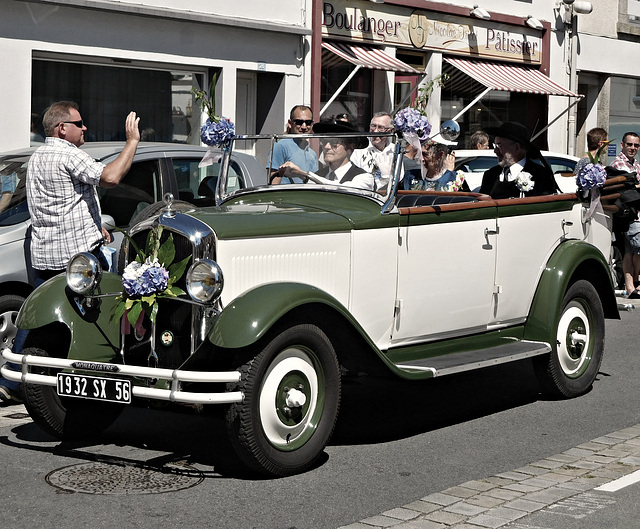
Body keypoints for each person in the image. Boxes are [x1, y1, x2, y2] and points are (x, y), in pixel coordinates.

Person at [0, 101, 140, 404]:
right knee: (102, 313)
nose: (85, 128)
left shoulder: (37, 157)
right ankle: (103, 378)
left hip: (44, 253)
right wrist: (132, 142)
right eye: (80, 123)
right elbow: (112, 177)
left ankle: (10, 379)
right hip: (77, 259)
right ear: (62, 129)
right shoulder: (68, 153)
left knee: (34, 317)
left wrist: (94, 225)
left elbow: (60, 202)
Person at [275, 119, 373, 190]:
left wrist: (304, 175)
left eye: (334, 143)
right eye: (324, 141)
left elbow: (344, 189)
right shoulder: (317, 176)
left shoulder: (364, 178)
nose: (326, 146)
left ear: (351, 147)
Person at [479, 122, 557, 199]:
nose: (495, 151)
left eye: (499, 145)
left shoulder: (541, 175)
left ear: (516, 147)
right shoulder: (490, 175)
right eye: (495, 146)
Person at [610, 132, 640, 298]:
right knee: (637, 248)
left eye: (636, 145)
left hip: (634, 213)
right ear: (622, 145)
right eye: (629, 144)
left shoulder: (636, 165)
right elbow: (627, 190)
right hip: (627, 213)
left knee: (629, 250)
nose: (633, 148)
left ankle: (630, 286)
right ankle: (635, 281)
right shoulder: (618, 164)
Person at [269, 104, 318, 184]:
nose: (304, 126)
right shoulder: (280, 146)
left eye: (308, 122)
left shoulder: (312, 154)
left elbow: (315, 184)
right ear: (290, 123)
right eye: (299, 122)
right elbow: (273, 183)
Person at [351, 112, 396, 193]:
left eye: (381, 128)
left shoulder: (394, 150)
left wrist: (386, 176)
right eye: (373, 126)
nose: (375, 131)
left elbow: (398, 179)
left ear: (390, 130)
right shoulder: (359, 149)